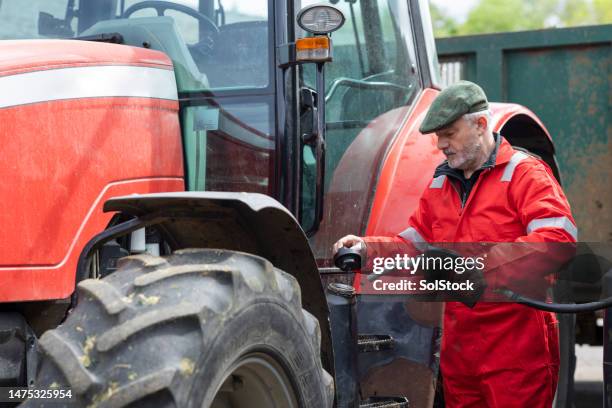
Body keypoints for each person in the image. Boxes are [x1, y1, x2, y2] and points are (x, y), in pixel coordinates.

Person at [333, 81, 577, 407]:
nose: (440, 144)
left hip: (515, 351)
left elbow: (557, 239)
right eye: (437, 136)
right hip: (461, 355)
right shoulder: (441, 185)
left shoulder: (524, 174)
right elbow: (414, 245)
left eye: (448, 133)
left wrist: (481, 269)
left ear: (480, 124)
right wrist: (367, 248)